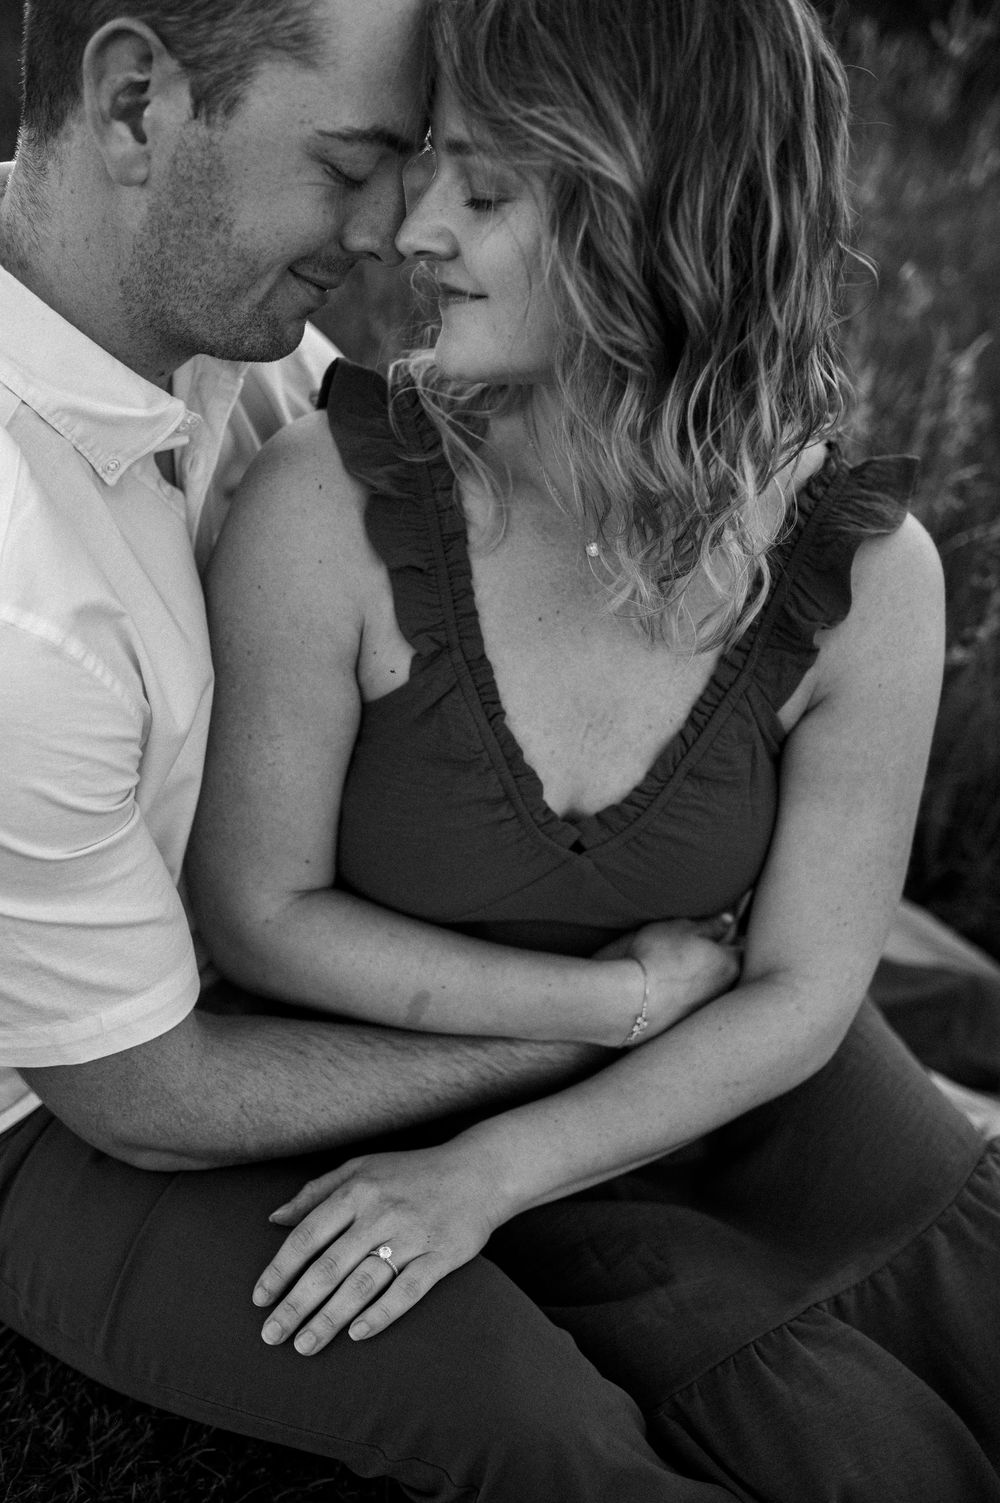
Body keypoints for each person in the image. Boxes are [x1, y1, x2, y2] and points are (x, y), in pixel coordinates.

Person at [188, 0, 1000, 1499]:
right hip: (530, 1158)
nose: (412, 231)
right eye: (429, 164)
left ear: (664, 225)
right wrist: (598, 1018)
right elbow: (257, 911)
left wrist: (490, 1174)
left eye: (489, 190)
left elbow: (803, 995)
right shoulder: (332, 504)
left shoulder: (868, 574)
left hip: (793, 1132)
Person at [0, 2, 738, 1499]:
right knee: (538, 1432)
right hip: (64, 1102)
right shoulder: (27, 607)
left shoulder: (163, 294)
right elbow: (144, 1097)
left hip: (274, 924)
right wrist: (601, 1017)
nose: (394, 230)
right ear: (134, 103)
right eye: (351, 167)